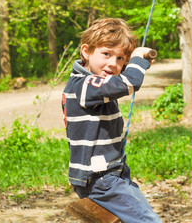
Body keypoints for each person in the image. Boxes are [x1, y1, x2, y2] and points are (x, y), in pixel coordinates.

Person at [62, 18, 162, 223]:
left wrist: (137, 63)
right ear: (86, 51)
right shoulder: (83, 85)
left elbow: (122, 80)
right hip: (100, 179)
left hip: (112, 174)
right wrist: (136, 61)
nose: (112, 63)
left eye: (120, 59)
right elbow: (129, 82)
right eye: (106, 54)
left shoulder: (91, 82)